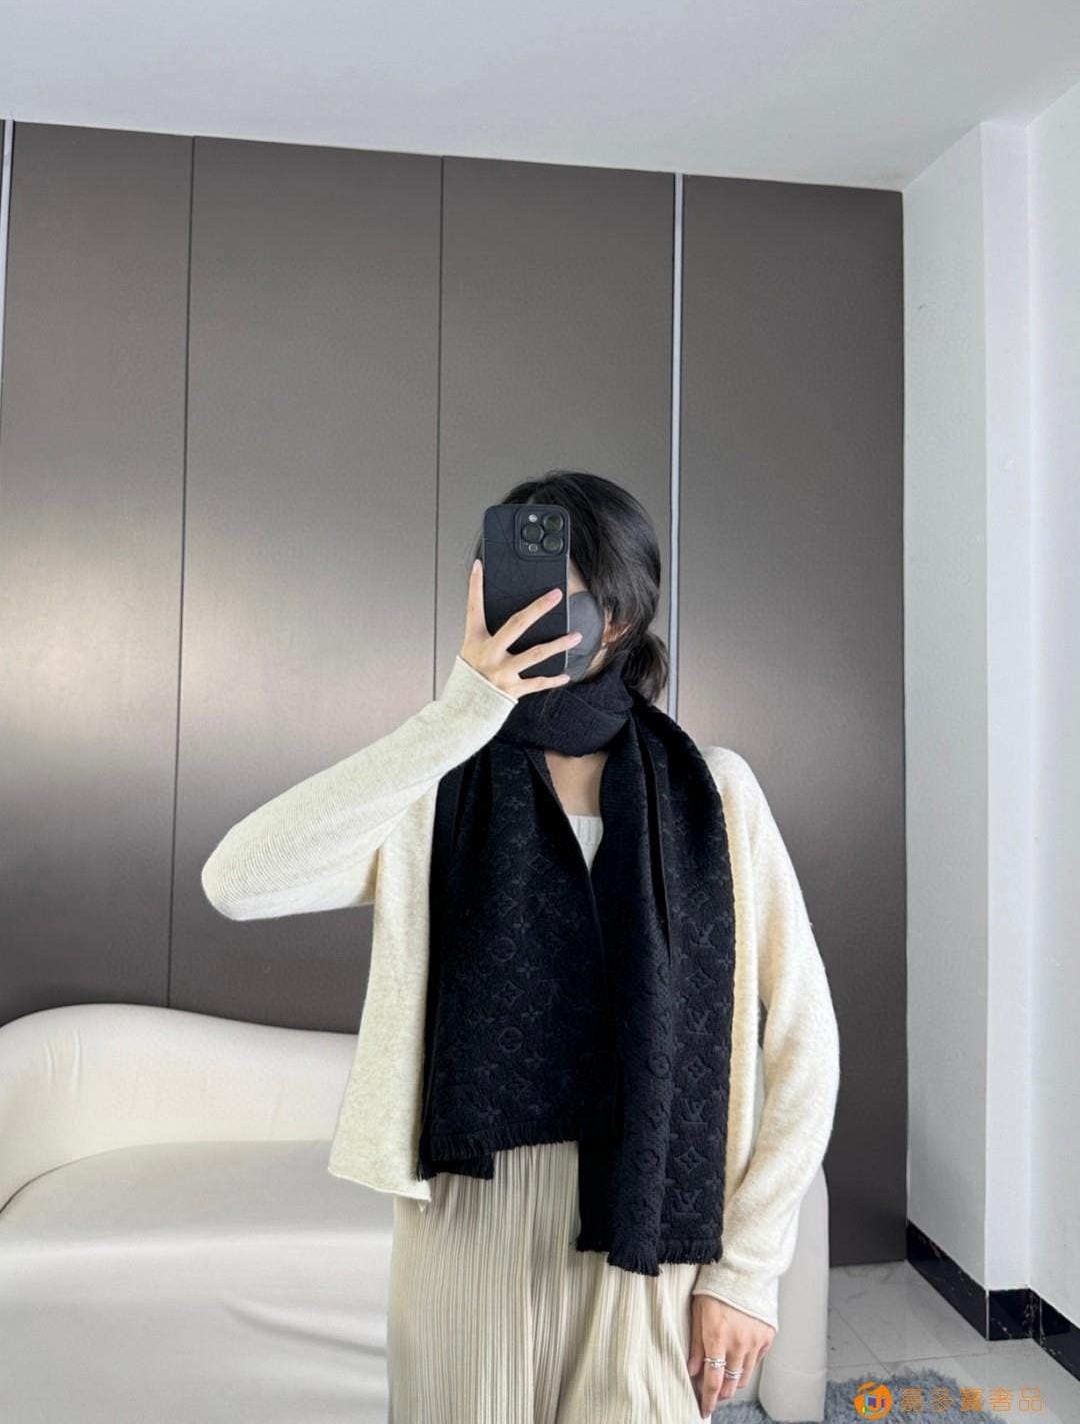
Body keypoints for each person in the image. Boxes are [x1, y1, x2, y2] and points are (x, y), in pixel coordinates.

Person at [201, 470, 841, 1423]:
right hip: (469, 1218)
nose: (528, 611)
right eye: (510, 584)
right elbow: (237, 880)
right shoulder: (437, 786)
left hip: (649, 1218)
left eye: (559, 590)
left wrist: (747, 1269)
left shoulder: (715, 793)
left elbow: (804, 1039)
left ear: (619, 617)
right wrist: (457, 716)